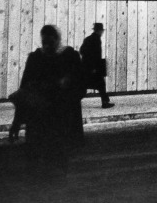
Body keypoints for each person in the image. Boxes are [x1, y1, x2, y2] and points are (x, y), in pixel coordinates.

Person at [9, 24, 85, 178]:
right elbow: (24, 91)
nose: (47, 46)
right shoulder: (39, 57)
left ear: (57, 40)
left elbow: (80, 87)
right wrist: (17, 122)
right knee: (49, 161)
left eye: (50, 42)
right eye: (45, 43)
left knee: (51, 160)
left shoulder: (67, 56)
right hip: (51, 117)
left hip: (54, 117)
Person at [80, 22, 114, 108]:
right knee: (101, 84)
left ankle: (105, 101)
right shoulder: (97, 40)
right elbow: (96, 55)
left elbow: (82, 51)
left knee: (85, 84)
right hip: (93, 67)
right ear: (99, 31)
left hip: (86, 67)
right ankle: (105, 102)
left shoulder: (87, 39)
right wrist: (94, 67)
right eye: (102, 31)